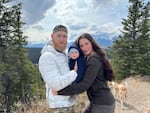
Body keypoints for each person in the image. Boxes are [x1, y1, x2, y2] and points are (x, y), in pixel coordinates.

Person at [54, 33, 115, 113]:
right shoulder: (87, 58)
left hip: (103, 104)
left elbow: (84, 85)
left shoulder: (94, 61)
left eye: (86, 44)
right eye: (81, 46)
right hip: (95, 101)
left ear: (92, 43)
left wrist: (59, 91)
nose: (84, 48)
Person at [38, 25, 78, 113]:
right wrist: (74, 73)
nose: (62, 39)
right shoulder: (47, 57)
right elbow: (54, 84)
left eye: (64, 36)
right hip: (59, 106)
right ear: (52, 36)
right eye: (59, 36)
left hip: (69, 103)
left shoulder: (63, 55)